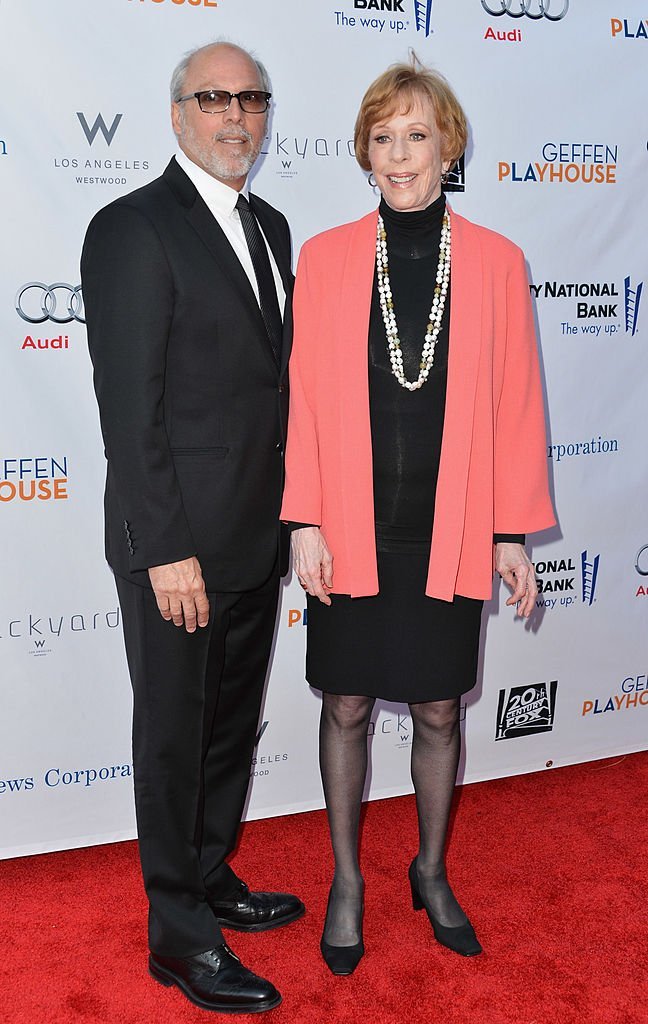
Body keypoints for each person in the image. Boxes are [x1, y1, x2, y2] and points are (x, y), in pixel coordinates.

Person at [281, 58, 555, 975]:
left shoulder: (496, 261)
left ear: (450, 146)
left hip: (449, 528)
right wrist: (305, 521)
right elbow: (303, 405)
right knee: (348, 702)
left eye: (418, 135)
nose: (401, 155)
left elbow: (517, 404)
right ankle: (348, 881)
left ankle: (430, 869)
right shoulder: (322, 259)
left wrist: (510, 533)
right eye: (384, 137)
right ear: (364, 151)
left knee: (439, 708)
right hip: (352, 527)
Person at [81, 41, 303, 1014]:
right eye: (214, 98)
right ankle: (178, 934)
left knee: (225, 736)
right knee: (175, 740)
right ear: (177, 115)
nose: (236, 116)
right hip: (176, 547)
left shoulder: (274, 227)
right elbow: (131, 409)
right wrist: (167, 546)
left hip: (254, 536)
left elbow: (267, 392)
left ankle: (211, 880)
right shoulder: (132, 228)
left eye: (251, 99)